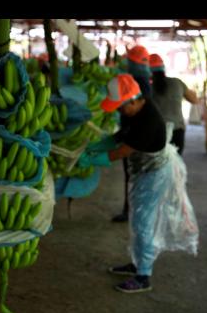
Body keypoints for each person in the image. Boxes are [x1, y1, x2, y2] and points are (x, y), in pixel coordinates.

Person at [79, 74, 199, 293]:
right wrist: (101, 144)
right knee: (137, 220)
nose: (119, 111)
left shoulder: (149, 119)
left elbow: (124, 150)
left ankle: (144, 275)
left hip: (155, 174)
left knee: (145, 224)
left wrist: (98, 158)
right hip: (143, 171)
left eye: (121, 106)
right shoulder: (133, 111)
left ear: (133, 100)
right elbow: (123, 135)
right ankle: (136, 263)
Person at [112, 45, 152, 223]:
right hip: (134, 134)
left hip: (135, 137)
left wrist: (123, 137)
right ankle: (133, 210)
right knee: (135, 176)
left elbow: (133, 115)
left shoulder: (137, 84)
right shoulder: (144, 81)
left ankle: (132, 211)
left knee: (134, 175)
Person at [150, 53, 199, 155]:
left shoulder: (148, 88)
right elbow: (194, 100)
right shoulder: (177, 83)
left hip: (156, 132)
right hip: (177, 131)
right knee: (175, 163)